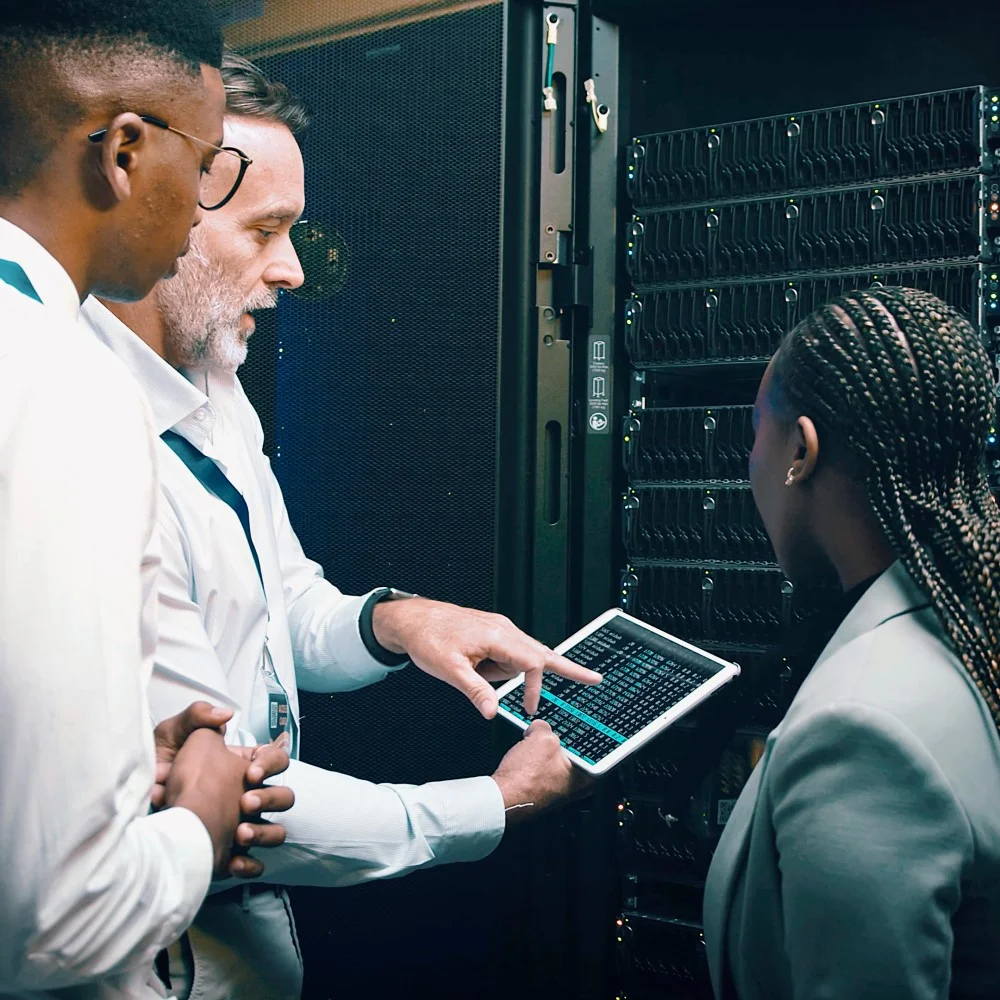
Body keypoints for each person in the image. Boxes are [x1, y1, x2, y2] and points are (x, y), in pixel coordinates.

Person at [80, 51, 600, 1000]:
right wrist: (493, 806)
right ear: (159, 209)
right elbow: (235, 790)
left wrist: (396, 622)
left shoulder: (218, 385)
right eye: (265, 229)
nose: (289, 269)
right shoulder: (81, 433)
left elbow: (277, 603)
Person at [0, 7, 293, 997]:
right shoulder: (66, 386)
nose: (201, 197)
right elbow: (61, 920)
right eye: (208, 164)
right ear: (124, 152)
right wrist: (199, 820)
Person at [702, 286, 1000, 999]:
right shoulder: (971, 620)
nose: (751, 461)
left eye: (755, 435)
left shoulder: (863, 731)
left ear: (800, 451)